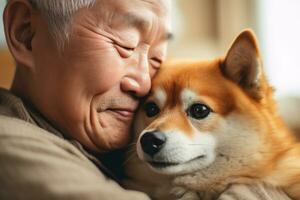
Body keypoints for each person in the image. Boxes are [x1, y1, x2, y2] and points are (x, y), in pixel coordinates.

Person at [0, 0, 292, 199]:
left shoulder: (107, 146)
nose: (143, 83)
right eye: (124, 45)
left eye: (156, 58)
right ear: (26, 33)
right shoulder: (12, 146)